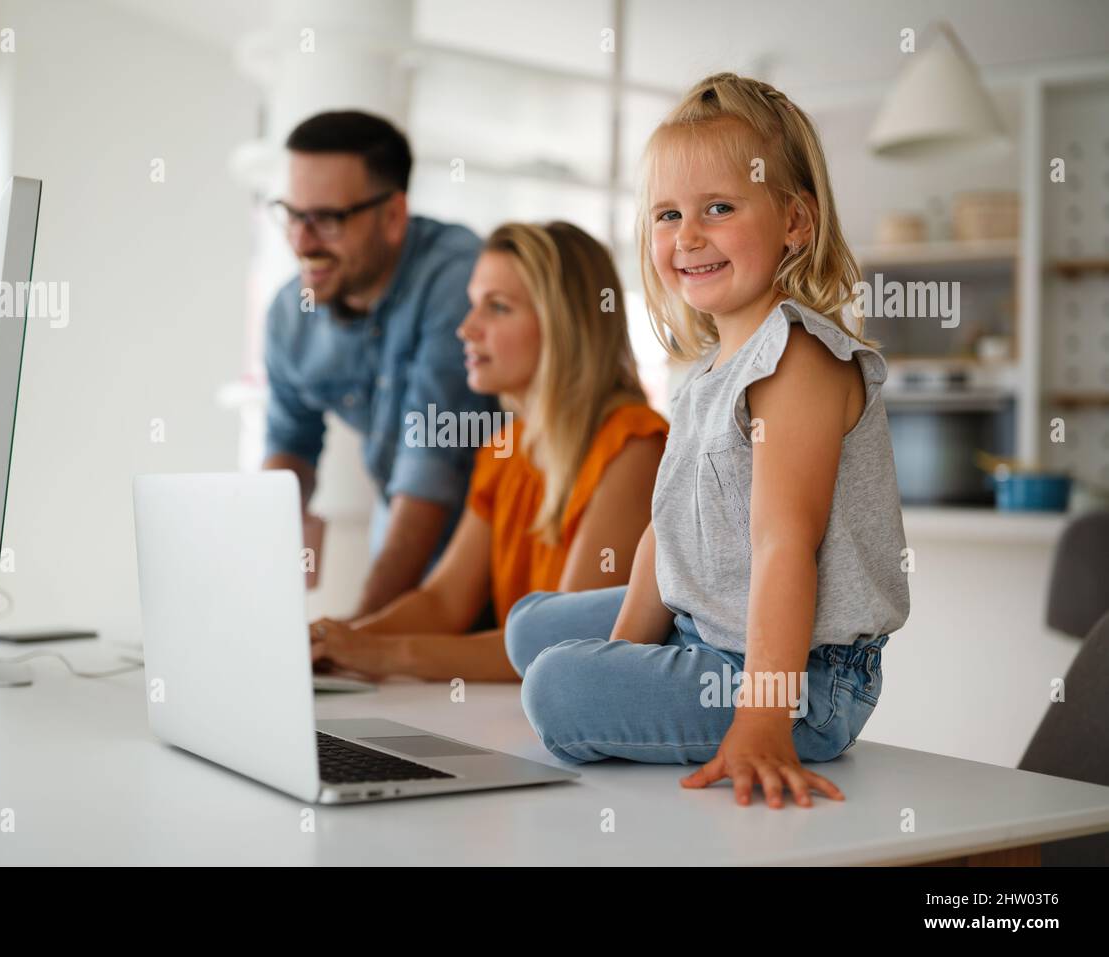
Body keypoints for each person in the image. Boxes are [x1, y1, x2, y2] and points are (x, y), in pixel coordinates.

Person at [504, 73, 911, 808]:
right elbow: (667, 532)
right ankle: (634, 671)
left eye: (718, 208)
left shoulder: (799, 360)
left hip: (804, 678)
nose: (687, 236)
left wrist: (762, 718)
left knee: (556, 686)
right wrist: (623, 650)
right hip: (709, 625)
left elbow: (784, 546)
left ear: (795, 221)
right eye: (667, 214)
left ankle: (761, 706)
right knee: (532, 627)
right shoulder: (705, 373)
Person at [309, 221, 667, 681]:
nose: (466, 328)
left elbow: (566, 645)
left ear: (564, 326)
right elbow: (442, 603)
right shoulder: (506, 448)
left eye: (497, 308)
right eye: (474, 304)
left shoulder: (634, 446)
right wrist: (338, 639)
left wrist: (382, 655)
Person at [262, 110, 497, 617]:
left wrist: (361, 634)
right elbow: (288, 448)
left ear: (392, 216)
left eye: (326, 219)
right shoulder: (290, 314)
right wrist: (258, 604)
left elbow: (428, 472)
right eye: (290, 213)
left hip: (490, 574)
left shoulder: (455, 280)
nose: (301, 242)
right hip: (399, 546)